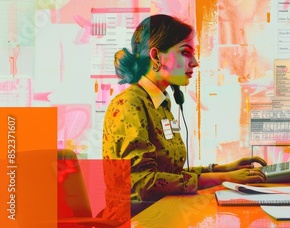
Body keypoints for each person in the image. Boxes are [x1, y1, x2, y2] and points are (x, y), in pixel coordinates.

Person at [101, 14, 267, 223]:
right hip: (136, 221)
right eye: (185, 53)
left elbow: (169, 174)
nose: (195, 63)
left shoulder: (159, 104)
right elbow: (143, 183)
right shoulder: (129, 104)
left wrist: (221, 169)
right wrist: (221, 178)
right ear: (156, 57)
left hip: (162, 215)